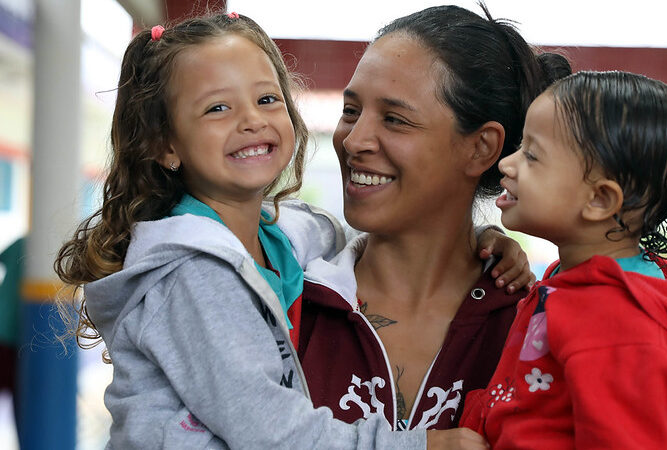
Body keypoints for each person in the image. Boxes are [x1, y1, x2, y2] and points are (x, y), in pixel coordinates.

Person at [53, 12, 497, 449]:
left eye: (267, 100)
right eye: (217, 108)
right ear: (165, 145)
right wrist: (417, 446)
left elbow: (372, 234)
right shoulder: (194, 271)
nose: (250, 120)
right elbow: (271, 431)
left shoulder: (283, 237)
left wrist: (483, 243)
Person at [297, 4, 572, 431]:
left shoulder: (535, 327)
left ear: (481, 148)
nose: (353, 140)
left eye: (394, 119)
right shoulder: (288, 297)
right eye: (351, 111)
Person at [459, 71, 667, 448]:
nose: (507, 164)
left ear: (599, 200)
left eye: (532, 155)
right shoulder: (579, 280)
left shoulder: (616, 321)